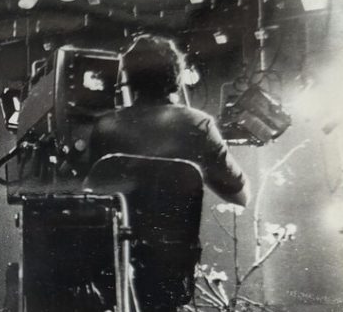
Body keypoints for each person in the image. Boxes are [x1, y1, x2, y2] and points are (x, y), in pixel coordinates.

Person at [88, 34, 249, 207]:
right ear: (177, 76)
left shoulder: (105, 126)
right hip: (178, 225)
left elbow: (91, 191)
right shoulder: (200, 125)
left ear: (128, 77)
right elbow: (241, 197)